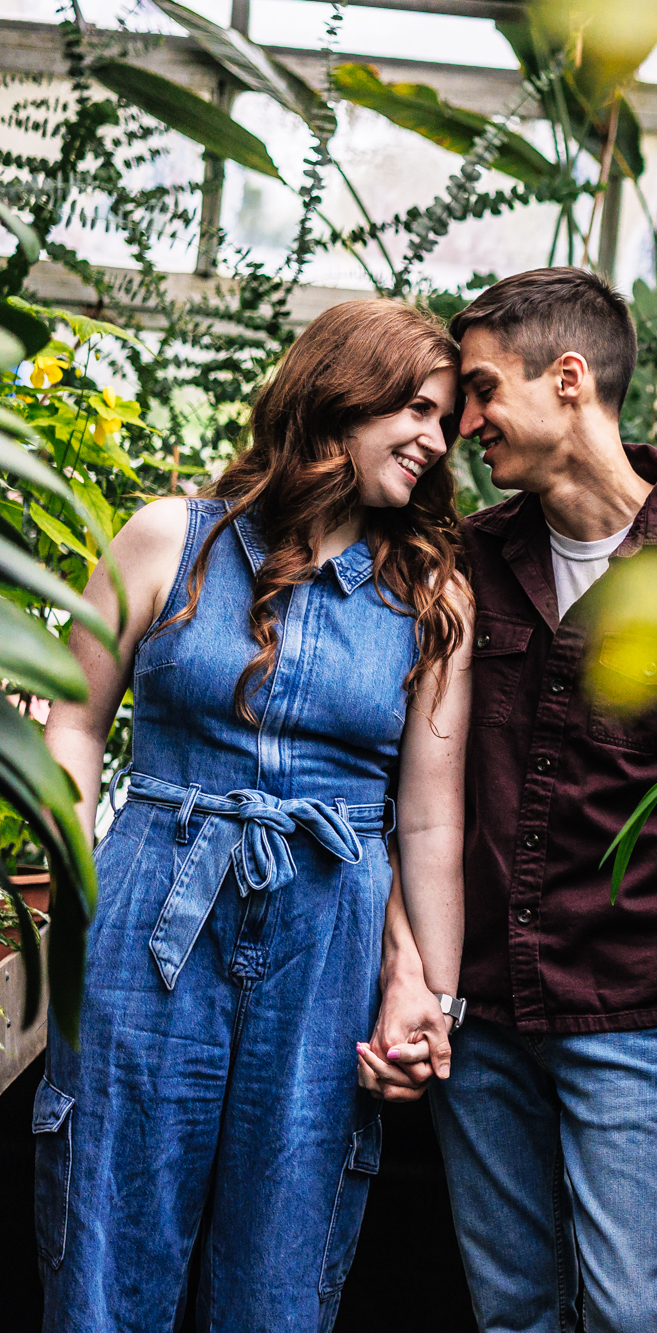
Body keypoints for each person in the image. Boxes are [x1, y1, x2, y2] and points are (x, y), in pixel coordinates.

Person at [35, 300, 471, 1330]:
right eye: (413, 406)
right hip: (151, 914)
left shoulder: (432, 597)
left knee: (279, 1271)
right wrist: (82, 881)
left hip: (329, 942)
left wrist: (423, 992)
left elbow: (429, 824)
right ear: (336, 395)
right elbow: (73, 721)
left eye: (446, 419)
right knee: (106, 1240)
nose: (435, 439)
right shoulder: (167, 537)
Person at [406, 267, 657, 1333]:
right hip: (480, 1015)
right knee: (514, 1314)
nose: (463, 423)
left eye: (480, 391)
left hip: (631, 1013)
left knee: (632, 1314)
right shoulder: (465, 563)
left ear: (568, 379)